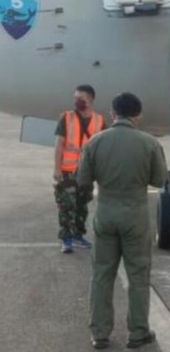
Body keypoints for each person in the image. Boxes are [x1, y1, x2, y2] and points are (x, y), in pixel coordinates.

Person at [78, 92, 168, 350]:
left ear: (112, 113)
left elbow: (83, 179)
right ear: (138, 115)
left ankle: (100, 333)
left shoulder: (95, 142)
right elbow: (159, 181)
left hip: (105, 214)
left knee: (102, 274)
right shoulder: (149, 143)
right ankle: (138, 332)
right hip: (135, 216)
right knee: (138, 275)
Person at [54, 84, 106, 253]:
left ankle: (77, 235)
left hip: (87, 173)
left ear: (90, 100)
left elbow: (102, 148)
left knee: (82, 205)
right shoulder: (67, 117)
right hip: (68, 171)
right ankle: (66, 239)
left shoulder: (99, 121)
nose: (76, 101)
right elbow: (59, 144)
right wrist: (57, 169)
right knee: (66, 205)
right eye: (75, 98)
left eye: (80, 98)